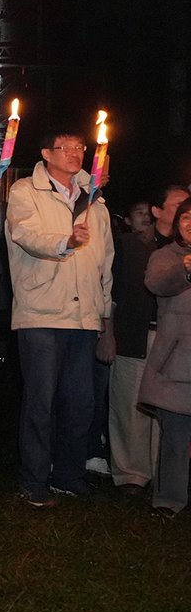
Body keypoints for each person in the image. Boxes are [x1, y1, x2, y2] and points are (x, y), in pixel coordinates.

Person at [5, 130, 114, 506]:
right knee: (41, 401)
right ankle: (33, 480)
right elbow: (25, 234)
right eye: (66, 148)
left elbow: (106, 262)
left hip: (84, 316)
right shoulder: (25, 191)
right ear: (46, 152)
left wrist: (106, 314)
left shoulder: (94, 199)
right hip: (42, 312)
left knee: (81, 401)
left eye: (80, 148)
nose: (75, 154)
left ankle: (69, 474)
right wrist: (65, 241)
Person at [101, 184, 186, 495]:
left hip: (173, 343)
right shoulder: (130, 246)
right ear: (157, 211)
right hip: (135, 334)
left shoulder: (185, 249)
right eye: (175, 205)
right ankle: (131, 474)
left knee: (166, 409)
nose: (181, 211)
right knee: (130, 404)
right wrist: (107, 332)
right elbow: (113, 291)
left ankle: (160, 471)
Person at [139, 197, 191, 517]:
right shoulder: (165, 256)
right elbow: (156, 284)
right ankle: (169, 502)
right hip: (176, 365)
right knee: (175, 439)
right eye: (185, 217)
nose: (190, 223)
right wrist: (185, 268)